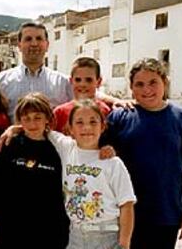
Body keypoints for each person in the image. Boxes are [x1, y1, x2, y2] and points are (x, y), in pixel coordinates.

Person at [101, 58, 182, 249]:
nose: (146, 89)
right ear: (131, 88)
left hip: (164, 214)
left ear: (164, 83)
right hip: (121, 214)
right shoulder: (120, 117)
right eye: (139, 84)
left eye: (153, 83)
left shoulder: (181, 119)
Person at [48, 99, 136, 249]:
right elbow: (39, 128)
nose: (87, 127)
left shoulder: (113, 163)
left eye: (93, 122)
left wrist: (124, 244)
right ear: (70, 128)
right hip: (76, 236)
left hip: (107, 236)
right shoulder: (67, 148)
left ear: (102, 127)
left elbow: (126, 205)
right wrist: (15, 128)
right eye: (80, 122)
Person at [0, 22, 130, 121]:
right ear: (19, 45)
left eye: (39, 39)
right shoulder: (1, 81)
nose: (34, 44)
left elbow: (88, 92)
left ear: (47, 45)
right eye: (28, 39)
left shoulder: (62, 81)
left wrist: (117, 101)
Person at [0, 92, 70, 249]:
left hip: (49, 228)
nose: (32, 123)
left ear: (48, 118)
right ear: (19, 120)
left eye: (37, 117)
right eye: (26, 118)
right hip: (13, 226)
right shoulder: (10, 144)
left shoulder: (58, 148)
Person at [53, 57, 111, 134]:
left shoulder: (106, 111)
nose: (82, 84)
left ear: (98, 82)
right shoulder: (59, 113)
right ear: (71, 81)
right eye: (78, 80)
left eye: (89, 80)